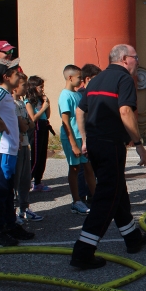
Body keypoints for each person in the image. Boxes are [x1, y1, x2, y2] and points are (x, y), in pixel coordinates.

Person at [70, 44, 146, 269]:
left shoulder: (96, 79)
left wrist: (85, 139)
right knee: (108, 196)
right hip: (110, 145)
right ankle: (83, 251)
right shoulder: (123, 79)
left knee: (117, 190)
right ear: (125, 59)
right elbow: (125, 111)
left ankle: (132, 238)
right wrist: (138, 143)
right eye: (136, 57)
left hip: (96, 144)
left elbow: (80, 110)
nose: (137, 61)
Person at [0, 66, 35, 247]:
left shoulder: (8, 96)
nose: (19, 76)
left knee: (8, 191)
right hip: (0, 149)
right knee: (0, 191)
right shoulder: (1, 93)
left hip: (9, 149)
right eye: (16, 74)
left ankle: (10, 225)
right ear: (6, 77)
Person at [59, 64, 95, 215]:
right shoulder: (65, 96)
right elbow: (66, 122)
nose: (81, 80)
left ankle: (96, 198)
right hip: (72, 138)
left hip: (82, 137)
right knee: (75, 169)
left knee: (88, 168)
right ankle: (76, 201)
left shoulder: (78, 95)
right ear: (70, 77)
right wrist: (73, 144)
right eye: (79, 77)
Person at [13, 73, 43, 223]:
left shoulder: (21, 103)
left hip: (25, 144)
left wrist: (26, 123)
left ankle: (24, 209)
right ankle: (13, 210)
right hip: (16, 146)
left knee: (25, 179)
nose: (26, 88)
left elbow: (30, 124)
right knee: (15, 180)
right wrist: (25, 123)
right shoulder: (12, 104)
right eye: (23, 85)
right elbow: (25, 124)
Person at [77, 64, 102, 204]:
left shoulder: (94, 93)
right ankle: (82, 196)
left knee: (91, 167)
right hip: (83, 136)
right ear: (87, 79)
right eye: (95, 79)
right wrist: (83, 138)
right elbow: (79, 115)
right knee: (83, 168)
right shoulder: (81, 94)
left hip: (93, 134)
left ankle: (92, 193)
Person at [25, 75, 53, 192]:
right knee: (35, 157)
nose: (42, 89)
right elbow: (33, 118)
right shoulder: (28, 101)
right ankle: (26, 182)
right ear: (33, 87)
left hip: (44, 126)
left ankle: (38, 182)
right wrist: (43, 108)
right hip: (35, 128)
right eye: (40, 87)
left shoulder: (41, 100)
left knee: (42, 156)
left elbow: (47, 115)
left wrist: (47, 104)